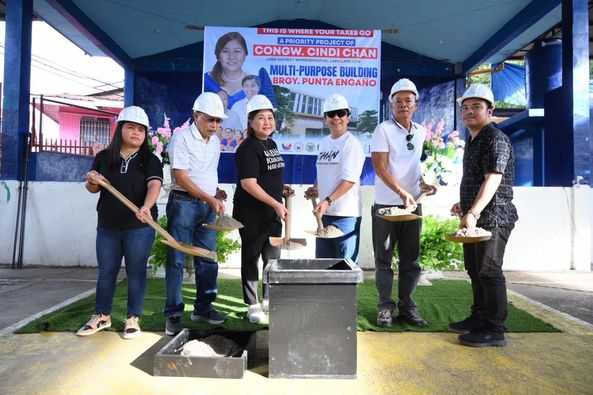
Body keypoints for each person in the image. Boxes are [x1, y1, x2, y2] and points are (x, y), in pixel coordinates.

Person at [77, 106, 163, 339]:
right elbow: (92, 188)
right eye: (131, 128)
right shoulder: (104, 157)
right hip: (108, 226)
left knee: (136, 271)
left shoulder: (151, 159)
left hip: (140, 227)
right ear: (120, 130)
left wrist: (146, 206)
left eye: (141, 130)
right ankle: (102, 316)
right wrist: (92, 179)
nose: (136, 133)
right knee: (107, 271)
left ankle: (133, 317)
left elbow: (154, 185)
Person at [448, 84, 518, 347]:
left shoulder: (494, 138)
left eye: (476, 106)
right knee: (475, 270)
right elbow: (477, 179)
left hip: (494, 217)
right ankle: (479, 318)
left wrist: (474, 211)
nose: (469, 111)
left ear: (490, 110)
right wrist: (463, 204)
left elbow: (493, 179)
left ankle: (495, 329)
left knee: (489, 271)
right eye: (465, 107)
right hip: (475, 217)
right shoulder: (474, 138)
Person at [371, 78, 436, 328]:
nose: (403, 104)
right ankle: (385, 307)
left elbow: (415, 167)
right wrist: (400, 193)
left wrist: (424, 184)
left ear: (416, 105)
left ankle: (408, 306)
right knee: (384, 261)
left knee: (411, 260)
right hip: (386, 206)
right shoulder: (383, 130)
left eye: (408, 100)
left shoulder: (420, 132)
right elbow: (380, 167)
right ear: (391, 105)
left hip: (412, 205)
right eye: (398, 101)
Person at [164, 92, 228, 336]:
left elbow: (207, 172)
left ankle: (203, 308)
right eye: (209, 119)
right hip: (183, 204)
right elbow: (181, 177)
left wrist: (216, 192)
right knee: (177, 260)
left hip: (206, 205)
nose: (214, 125)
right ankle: (173, 313)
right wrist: (208, 197)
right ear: (196, 115)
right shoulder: (180, 138)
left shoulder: (214, 142)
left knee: (208, 258)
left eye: (218, 121)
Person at [232, 94, 288, 325]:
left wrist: (281, 191)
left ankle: (268, 298)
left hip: (272, 214)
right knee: (251, 257)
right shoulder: (247, 148)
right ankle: (252, 304)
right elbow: (248, 183)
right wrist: (275, 203)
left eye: (270, 117)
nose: (267, 122)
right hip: (252, 214)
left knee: (272, 259)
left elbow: (267, 176)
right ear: (251, 122)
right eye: (261, 118)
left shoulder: (271, 144)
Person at [304, 94, 365, 262]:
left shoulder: (352, 144)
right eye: (331, 114)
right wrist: (316, 189)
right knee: (323, 266)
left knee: (344, 268)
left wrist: (327, 200)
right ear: (325, 119)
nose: (336, 118)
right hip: (325, 214)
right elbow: (324, 173)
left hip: (345, 216)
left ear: (348, 117)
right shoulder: (324, 143)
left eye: (341, 113)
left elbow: (349, 180)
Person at [204, 31, 276, 109]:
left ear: (245, 54)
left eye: (237, 51)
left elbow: (270, 112)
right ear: (218, 55)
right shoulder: (207, 81)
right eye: (225, 51)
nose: (231, 57)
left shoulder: (259, 83)